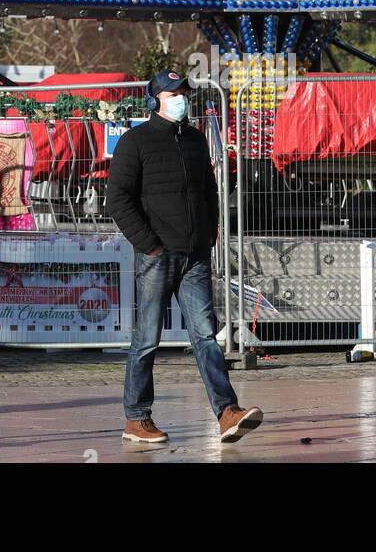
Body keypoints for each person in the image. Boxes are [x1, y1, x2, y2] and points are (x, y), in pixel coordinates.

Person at [106, 70, 263, 444]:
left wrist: (209, 234)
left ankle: (227, 412)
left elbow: (209, 191)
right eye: (173, 92)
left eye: (183, 92)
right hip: (158, 256)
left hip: (195, 256)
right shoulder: (135, 142)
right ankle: (137, 418)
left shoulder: (194, 140)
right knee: (146, 340)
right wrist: (150, 244)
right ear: (155, 99)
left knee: (206, 337)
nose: (181, 98)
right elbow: (118, 199)